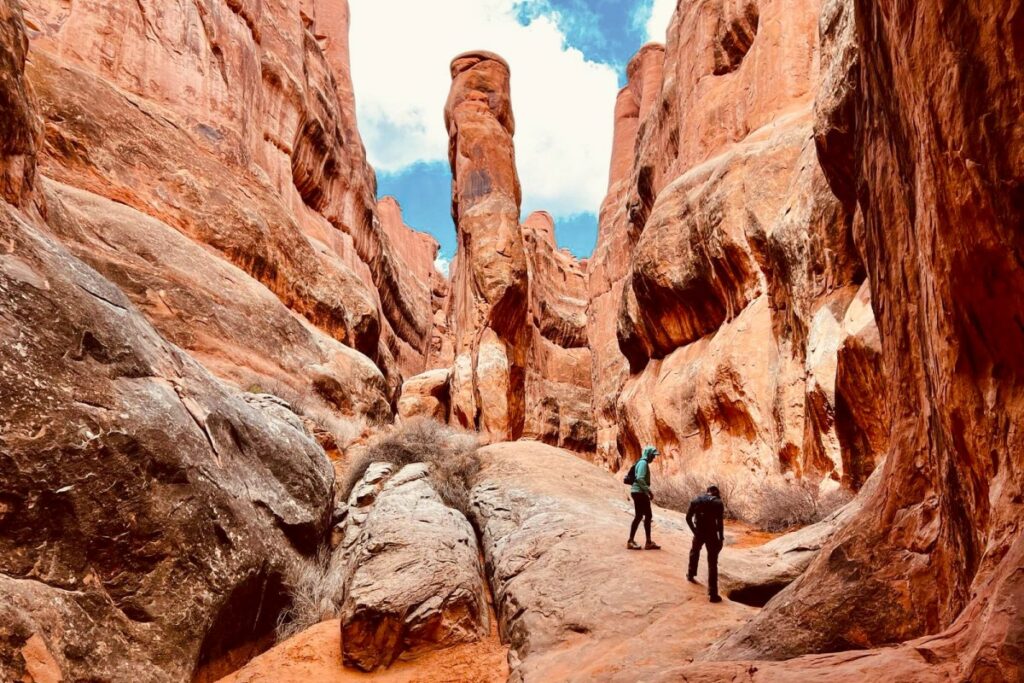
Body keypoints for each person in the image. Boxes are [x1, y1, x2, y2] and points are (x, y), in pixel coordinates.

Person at [686, 484, 725, 602]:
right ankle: (713, 594)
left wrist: (695, 531)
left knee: (694, 551)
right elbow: (720, 523)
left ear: (707, 491)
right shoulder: (718, 503)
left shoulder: (696, 500)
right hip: (712, 534)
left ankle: (691, 574)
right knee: (712, 562)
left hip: (699, 532)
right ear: (716, 493)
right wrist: (721, 538)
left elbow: (688, 518)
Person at [627, 445, 661, 550]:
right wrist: (648, 490)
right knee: (642, 516)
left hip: (638, 492)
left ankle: (646, 541)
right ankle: (634, 541)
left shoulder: (641, 462)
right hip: (640, 492)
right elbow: (640, 478)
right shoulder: (643, 463)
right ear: (649, 454)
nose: (653, 457)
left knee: (643, 516)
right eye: (653, 455)